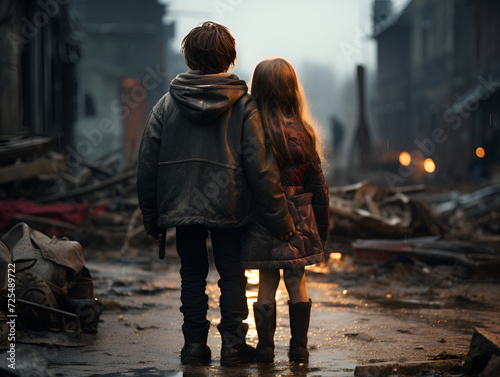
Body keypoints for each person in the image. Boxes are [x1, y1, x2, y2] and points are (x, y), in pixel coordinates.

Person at [136, 23, 295, 366]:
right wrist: (279, 218)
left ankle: (194, 346)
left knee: (192, 273)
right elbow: (261, 167)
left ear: (189, 57)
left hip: (180, 206)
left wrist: (152, 218)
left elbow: (147, 165)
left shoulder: (166, 105)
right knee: (232, 274)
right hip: (231, 206)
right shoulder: (243, 105)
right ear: (230, 58)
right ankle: (233, 347)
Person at [241, 58, 330, 364]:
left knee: (266, 279)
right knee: (296, 281)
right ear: (292, 90)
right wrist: (323, 228)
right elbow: (317, 187)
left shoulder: (252, 132)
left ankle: (265, 349)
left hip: (262, 216)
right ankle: (299, 349)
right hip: (301, 216)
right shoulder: (303, 132)